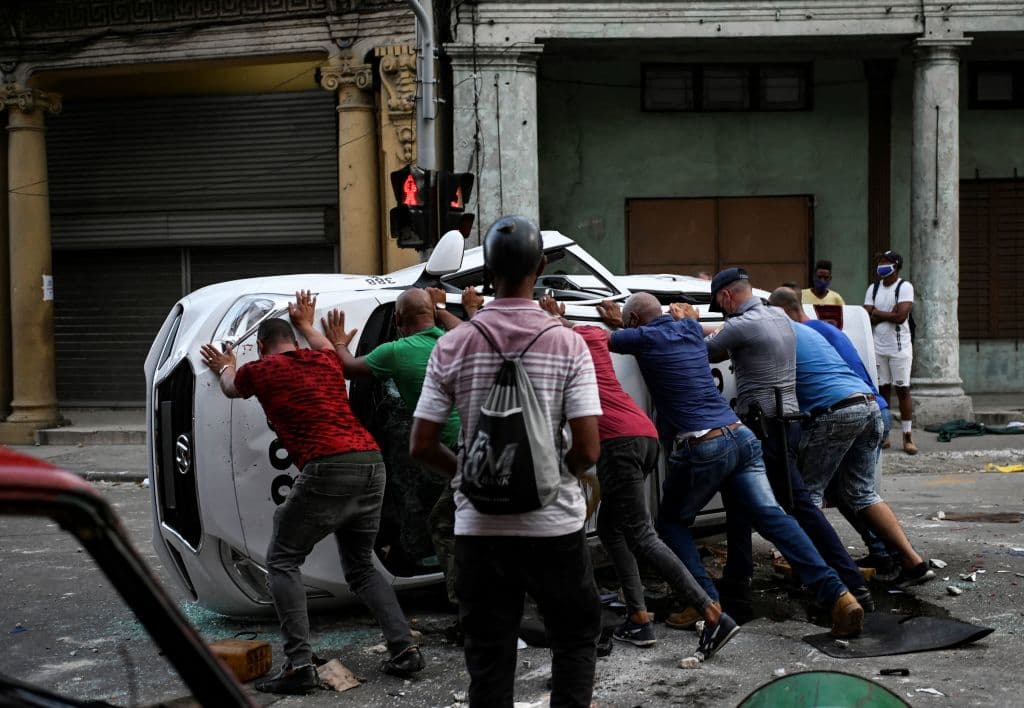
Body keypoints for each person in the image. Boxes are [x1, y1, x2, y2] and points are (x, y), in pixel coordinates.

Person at [410, 216, 603, 708]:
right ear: (540, 267)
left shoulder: (453, 344)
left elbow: (422, 444)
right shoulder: (567, 343)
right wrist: (559, 475)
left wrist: (471, 474)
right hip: (554, 527)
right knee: (574, 641)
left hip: (479, 531)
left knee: (489, 661)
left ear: (486, 272)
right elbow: (587, 450)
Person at [596, 293, 864, 640]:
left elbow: (598, 337)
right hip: (742, 436)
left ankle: (703, 600)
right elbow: (706, 329)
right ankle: (840, 596)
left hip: (703, 443)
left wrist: (609, 323)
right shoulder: (690, 329)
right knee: (775, 519)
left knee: (671, 522)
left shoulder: (644, 337)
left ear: (633, 322)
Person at [199, 290, 423, 695]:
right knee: (361, 568)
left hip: (328, 466)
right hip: (371, 463)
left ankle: (299, 664)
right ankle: (404, 648)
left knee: (283, 559)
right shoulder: (324, 361)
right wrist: (307, 323)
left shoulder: (261, 370)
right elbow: (325, 345)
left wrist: (227, 364)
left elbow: (231, 387)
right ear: (294, 340)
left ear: (262, 347)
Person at [538, 295, 737, 655]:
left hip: (618, 442)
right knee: (614, 530)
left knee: (643, 535)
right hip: (643, 435)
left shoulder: (563, 339)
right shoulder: (595, 335)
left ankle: (712, 613)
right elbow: (595, 332)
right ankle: (639, 619)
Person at [704, 269, 872, 616]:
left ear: (726, 297)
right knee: (746, 502)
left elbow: (706, 350)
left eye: (719, 306)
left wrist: (683, 322)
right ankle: (737, 586)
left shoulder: (742, 324)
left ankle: (845, 585)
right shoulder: (778, 318)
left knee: (789, 508)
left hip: (764, 426)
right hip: (786, 423)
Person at [319, 286, 474, 623]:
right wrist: (441, 309)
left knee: (443, 524)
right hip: (480, 446)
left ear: (399, 322)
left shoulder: (396, 351)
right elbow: (466, 328)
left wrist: (339, 341)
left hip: (450, 453)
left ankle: (468, 614)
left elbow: (347, 368)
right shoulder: (456, 338)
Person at [769, 288, 936, 590]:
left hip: (837, 412)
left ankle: (818, 574)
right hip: (870, 406)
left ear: (781, 312)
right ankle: (911, 561)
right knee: (858, 492)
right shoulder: (823, 330)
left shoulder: (794, 333)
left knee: (807, 494)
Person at [864, 250, 917, 454]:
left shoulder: (904, 287)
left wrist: (877, 312)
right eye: (880, 262)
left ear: (895, 265)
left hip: (899, 347)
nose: (881, 266)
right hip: (878, 347)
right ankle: (884, 434)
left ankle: (907, 436)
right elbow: (866, 314)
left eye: (885, 262)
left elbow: (901, 316)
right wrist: (887, 313)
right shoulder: (874, 288)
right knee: (882, 390)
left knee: (902, 390)